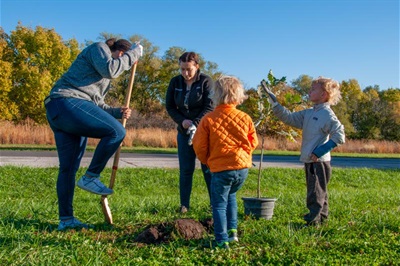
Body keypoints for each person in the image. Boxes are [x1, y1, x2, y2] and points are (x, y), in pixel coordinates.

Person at [44, 38, 143, 230]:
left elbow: (95, 104)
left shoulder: (102, 77)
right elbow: (112, 69)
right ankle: (91, 176)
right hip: (66, 101)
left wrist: (117, 112)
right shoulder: (99, 49)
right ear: (119, 52)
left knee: (68, 168)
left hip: (64, 111)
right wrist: (135, 53)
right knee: (116, 131)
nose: (121, 62)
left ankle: (66, 220)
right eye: (122, 57)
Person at [262, 76, 345, 225]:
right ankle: (321, 219)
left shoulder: (327, 114)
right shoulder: (309, 113)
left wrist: (320, 151)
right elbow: (289, 118)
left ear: (324, 95)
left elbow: (340, 135)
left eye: (313, 89)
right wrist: (275, 103)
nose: (309, 91)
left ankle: (314, 221)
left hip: (318, 161)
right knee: (318, 191)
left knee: (316, 192)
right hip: (310, 159)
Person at [192, 75, 259, 249]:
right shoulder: (245, 117)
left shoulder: (209, 119)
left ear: (215, 95)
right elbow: (253, 142)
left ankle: (221, 240)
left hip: (221, 169)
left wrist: (206, 160)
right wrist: (244, 156)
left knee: (219, 204)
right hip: (242, 169)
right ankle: (232, 233)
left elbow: (199, 145)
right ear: (238, 95)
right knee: (232, 197)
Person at [165, 51, 213, 213]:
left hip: (204, 133)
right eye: (182, 69)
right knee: (186, 170)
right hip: (184, 132)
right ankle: (184, 205)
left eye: (189, 69)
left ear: (197, 67)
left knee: (207, 168)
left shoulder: (206, 82)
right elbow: (170, 106)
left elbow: (209, 107)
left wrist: (196, 123)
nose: (185, 73)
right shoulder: (175, 82)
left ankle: (214, 205)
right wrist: (182, 121)